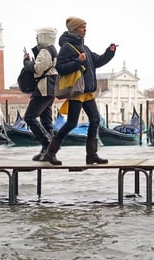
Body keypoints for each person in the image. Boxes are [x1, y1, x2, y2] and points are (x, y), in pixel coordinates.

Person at [44, 16, 117, 165]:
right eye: (82, 27)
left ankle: (92, 155)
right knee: (71, 123)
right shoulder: (67, 48)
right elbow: (60, 68)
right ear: (75, 29)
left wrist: (109, 52)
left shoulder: (85, 47)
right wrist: (78, 62)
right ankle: (50, 153)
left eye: (85, 27)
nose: (85, 30)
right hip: (77, 92)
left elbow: (98, 61)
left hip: (87, 92)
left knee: (95, 120)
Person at [23, 27, 58, 161]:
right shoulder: (53, 50)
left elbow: (37, 69)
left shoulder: (44, 51)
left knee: (29, 117)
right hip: (51, 88)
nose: (36, 38)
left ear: (44, 36)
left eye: (38, 36)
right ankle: (49, 152)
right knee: (46, 121)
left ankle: (46, 143)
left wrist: (26, 62)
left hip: (44, 88)